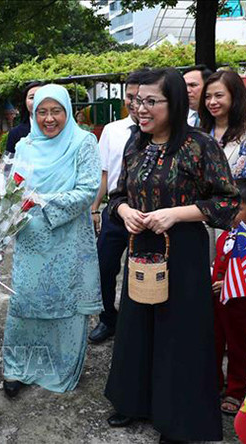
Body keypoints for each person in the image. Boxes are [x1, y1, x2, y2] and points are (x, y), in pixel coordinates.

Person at [104, 68, 239, 443]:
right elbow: (117, 196)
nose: (140, 109)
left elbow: (227, 202)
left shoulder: (198, 145)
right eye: (136, 101)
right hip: (141, 245)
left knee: (179, 334)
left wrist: (176, 214)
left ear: (174, 102)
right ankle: (134, 402)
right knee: (136, 326)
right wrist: (124, 212)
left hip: (182, 250)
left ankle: (178, 418)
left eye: (151, 101)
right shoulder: (136, 143)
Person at [2, 84, 102, 397]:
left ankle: (59, 365)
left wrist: (43, 200)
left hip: (68, 237)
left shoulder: (83, 142)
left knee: (65, 305)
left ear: (67, 111)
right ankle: (17, 368)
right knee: (25, 303)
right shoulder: (26, 146)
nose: (48, 118)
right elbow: (12, 187)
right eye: (42, 111)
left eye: (55, 111)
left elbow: (88, 190)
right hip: (30, 238)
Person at [88, 70, 148, 345]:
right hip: (115, 210)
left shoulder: (165, 132)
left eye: (143, 98)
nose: (136, 104)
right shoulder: (113, 131)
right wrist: (94, 208)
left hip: (148, 212)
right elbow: (104, 173)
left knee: (142, 271)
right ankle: (108, 319)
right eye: (131, 97)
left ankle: (137, 325)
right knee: (103, 266)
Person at [200, 69, 246, 262]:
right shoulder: (200, 133)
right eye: (208, 97)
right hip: (203, 217)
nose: (212, 102)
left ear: (235, 96)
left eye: (219, 95)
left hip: (238, 221)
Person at [211, 179, 246, 415]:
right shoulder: (227, 231)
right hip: (217, 299)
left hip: (239, 301)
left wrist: (229, 283)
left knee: (238, 345)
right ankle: (214, 382)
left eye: (240, 209)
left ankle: (236, 390)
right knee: (214, 340)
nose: (233, 212)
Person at [5, 81, 45, 155]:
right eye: (32, 97)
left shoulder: (60, 130)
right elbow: (8, 163)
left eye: (41, 96)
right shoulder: (16, 133)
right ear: (25, 102)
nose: (37, 100)